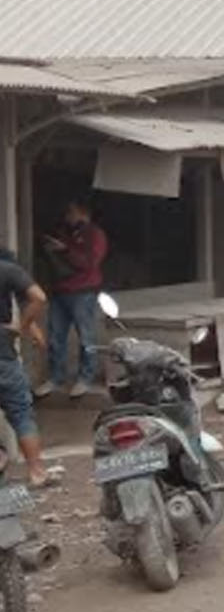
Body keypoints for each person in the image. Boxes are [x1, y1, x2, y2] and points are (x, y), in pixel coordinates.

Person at [36, 198, 108, 399]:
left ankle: (85, 378)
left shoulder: (95, 234)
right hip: (60, 290)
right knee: (55, 337)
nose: (68, 216)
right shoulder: (65, 233)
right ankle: (56, 378)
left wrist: (65, 250)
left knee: (86, 337)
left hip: (83, 291)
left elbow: (89, 262)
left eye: (72, 212)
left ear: (83, 213)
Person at [0, 249, 56, 486]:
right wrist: (23, 328)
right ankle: (36, 472)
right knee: (21, 413)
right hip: (3, 355)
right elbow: (39, 298)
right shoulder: (7, 269)